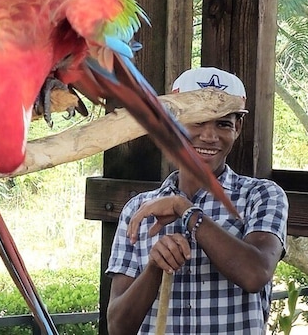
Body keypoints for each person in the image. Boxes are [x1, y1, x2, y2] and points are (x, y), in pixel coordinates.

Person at [106, 67, 288, 334]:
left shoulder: (261, 196)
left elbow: (254, 274)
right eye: (197, 121)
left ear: (238, 127)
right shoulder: (138, 209)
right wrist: (155, 268)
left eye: (223, 123)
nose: (209, 136)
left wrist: (185, 210)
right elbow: (118, 327)